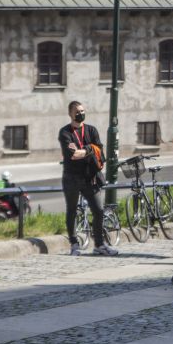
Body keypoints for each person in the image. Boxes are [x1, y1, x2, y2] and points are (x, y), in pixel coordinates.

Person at [59, 101, 118, 257]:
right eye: (77, 111)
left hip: (90, 179)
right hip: (71, 178)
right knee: (71, 210)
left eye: (82, 111)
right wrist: (89, 149)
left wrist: (85, 149)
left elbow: (99, 150)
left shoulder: (91, 130)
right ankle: (74, 244)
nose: (80, 114)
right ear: (70, 114)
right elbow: (72, 155)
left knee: (98, 210)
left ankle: (99, 244)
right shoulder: (65, 132)